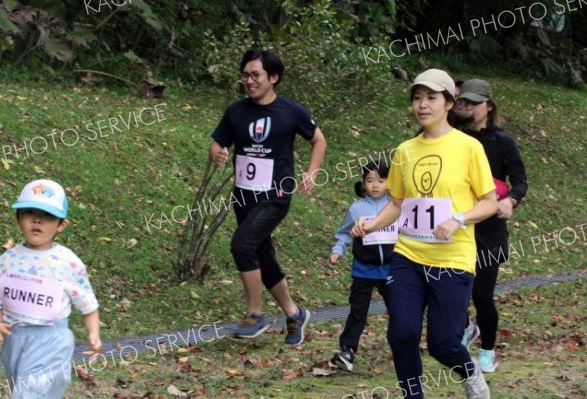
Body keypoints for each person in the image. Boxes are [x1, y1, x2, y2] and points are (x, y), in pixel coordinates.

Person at [352, 69, 498, 399]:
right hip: (408, 256)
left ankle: (471, 374)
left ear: (449, 103)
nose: (422, 105)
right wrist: (371, 225)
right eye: (417, 98)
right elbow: (398, 203)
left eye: (431, 98)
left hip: (452, 259)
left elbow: (489, 203)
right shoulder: (405, 151)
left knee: (443, 344)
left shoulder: (469, 147)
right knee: (401, 334)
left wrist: (459, 218)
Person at [209, 49, 326, 345]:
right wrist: (218, 152)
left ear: (273, 77)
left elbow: (318, 139)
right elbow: (217, 142)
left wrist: (311, 172)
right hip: (244, 196)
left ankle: (255, 313)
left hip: (276, 194)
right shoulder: (236, 111)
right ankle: (294, 313)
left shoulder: (291, 111)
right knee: (261, 254)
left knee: (242, 244)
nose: (249, 81)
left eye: (256, 75)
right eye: (245, 75)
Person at [0, 179, 101, 399]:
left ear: (61, 224)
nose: (37, 219)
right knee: (22, 388)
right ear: (18, 218)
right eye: (29, 212)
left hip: (52, 339)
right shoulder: (6, 261)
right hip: (15, 338)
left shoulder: (67, 262)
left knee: (29, 393)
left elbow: (87, 303)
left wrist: (93, 334)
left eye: (47, 215)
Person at [456, 79, 528, 372]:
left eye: (473, 103)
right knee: (454, 290)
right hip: (458, 225)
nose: (468, 107)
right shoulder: (455, 138)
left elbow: (520, 182)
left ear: (489, 105)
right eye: (464, 102)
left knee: (482, 295)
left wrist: (510, 200)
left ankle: (486, 350)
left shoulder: (502, 142)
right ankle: (464, 329)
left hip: (489, 232)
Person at [328, 159, 396, 372]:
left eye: (381, 180)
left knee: (400, 310)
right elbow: (344, 233)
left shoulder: (396, 206)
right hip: (363, 270)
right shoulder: (357, 209)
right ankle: (347, 350)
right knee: (358, 311)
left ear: (389, 182)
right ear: (363, 183)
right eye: (370, 180)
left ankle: (403, 345)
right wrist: (338, 249)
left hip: (392, 271)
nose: (375, 185)